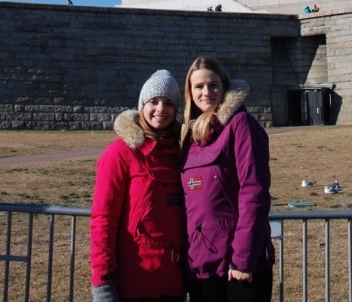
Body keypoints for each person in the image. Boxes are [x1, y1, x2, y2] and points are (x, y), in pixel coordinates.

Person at [180, 57, 274, 301]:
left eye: (213, 85)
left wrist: (244, 259)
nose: (206, 92)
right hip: (201, 264)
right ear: (190, 92)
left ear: (224, 87)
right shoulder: (190, 136)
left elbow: (254, 193)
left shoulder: (241, 125)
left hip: (237, 265)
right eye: (198, 87)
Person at [91, 70, 185, 302]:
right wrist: (103, 282)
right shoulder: (119, 153)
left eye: (168, 103)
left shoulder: (182, 154)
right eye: (154, 102)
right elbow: (103, 219)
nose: (161, 109)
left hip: (173, 282)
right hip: (132, 282)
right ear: (142, 105)